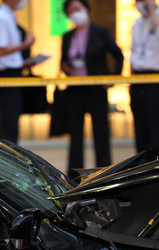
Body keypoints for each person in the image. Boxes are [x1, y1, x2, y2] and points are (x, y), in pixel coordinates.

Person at [60, 0, 124, 180]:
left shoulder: (100, 31)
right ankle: (73, 175)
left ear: (86, 9)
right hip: (75, 88)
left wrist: (113, 77)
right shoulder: (67, 36)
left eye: (77, 9)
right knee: (75, 133)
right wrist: (66, 68)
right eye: (71, 11)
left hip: (96, 88)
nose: (75, 14)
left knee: (101, 130)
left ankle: (104, 172)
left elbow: (118, 55)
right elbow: (62, 60)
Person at [129, 0, 159, 153]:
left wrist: (152, 11)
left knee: (158, 123)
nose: (140, 3)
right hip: (139, 76)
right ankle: (142, 163)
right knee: (140, 124)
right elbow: (134, 51)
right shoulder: (137, 22)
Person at [0, 0, 35, 144]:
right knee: (8, 123)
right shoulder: (1, 18)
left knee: (10, 121)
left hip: (10, 73)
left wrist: (21, 62)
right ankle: (8, 159)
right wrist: (25, 45)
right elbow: (0, 50)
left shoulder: (8, 16)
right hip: (5, 76)